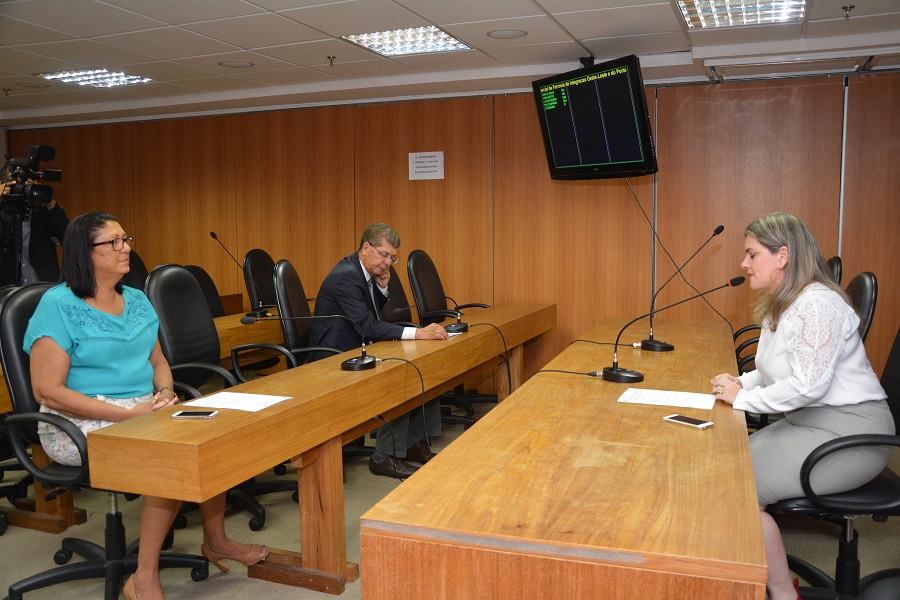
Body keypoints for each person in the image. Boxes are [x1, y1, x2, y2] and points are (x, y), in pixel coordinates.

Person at [24, 211, 267, 600]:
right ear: (84, 252)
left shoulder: (136, 300)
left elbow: (158, 363)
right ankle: (144, 577)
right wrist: (127, 415)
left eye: (126, 239)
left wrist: (166, 392)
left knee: (213, 435)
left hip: (144, 410)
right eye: (114, 242)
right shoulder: (57, 305)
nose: (126, 248)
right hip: (75, 421)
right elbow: (48, 392)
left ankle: (216, 540)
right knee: (169, 457)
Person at [710, 212, 893, 600]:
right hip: (810, 421)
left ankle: (782, 593)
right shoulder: (783, 302)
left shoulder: (817, 305)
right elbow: (776, 371)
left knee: (734, 490)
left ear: (782, 256)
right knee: (724, 467)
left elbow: (809, 386)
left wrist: (743, 399)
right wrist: (742, 383)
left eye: (752, 254)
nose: (744, 263)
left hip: (854, 433)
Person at [310, 222, 449, 479]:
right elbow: (368, 325)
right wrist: (418, 333)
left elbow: (369, 315)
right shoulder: (346, 275)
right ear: (366, 247)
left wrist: (382, 288)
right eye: (384, 255)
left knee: (421, 362)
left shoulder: (363, 271)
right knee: (401, 372)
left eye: (392, 258)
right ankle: (384, 456)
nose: (387, 263)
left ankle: (412, 442)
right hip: (333, 357)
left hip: (356, 350)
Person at [0, 180, 69, 286]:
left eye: (29, 185)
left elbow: (70, 239)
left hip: (44, 288)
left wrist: (48, 200)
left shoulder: (46, 213)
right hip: (8, 289)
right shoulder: (2, 214)